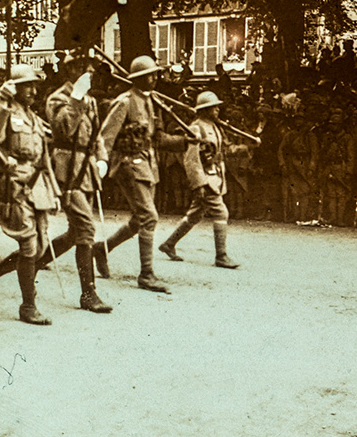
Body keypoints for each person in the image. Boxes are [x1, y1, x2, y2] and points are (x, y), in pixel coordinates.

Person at [0, 64, 59, 325]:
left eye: (35, 86)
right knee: (29, 245)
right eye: (27, 86)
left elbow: (43, 157)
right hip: (15, 185)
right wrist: (2, 104)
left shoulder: (34, 117)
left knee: (41, 247)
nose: (33, 91)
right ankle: (28, 306)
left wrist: (53, 191)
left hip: (38, 185)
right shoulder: (5, 112)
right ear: (15, 88)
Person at [93, 55, 176, 293]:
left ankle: (102, 248)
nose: (156, 78)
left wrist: (186, 140)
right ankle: (147, 274)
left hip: (148, 166)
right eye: (151, 75)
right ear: (139, 78)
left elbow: (158, 138)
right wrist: (101, 163)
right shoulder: (124, 101)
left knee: (139, 219)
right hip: (128, 165)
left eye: (156, 74)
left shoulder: (151, 101)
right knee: (149, 216)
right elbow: (106, 136)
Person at [43, 54, 113, 313]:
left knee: (75, 234)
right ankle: (88, 293)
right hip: (67, 171)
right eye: (84, 67)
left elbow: (97, 136)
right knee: (85, 228)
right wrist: (76, 99)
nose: (91, 71)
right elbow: (64, 130)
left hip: (87, 170)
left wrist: (102, 158)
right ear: (70, 69)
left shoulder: (90, 99)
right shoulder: (58, 99)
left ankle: (7, 270)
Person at [160, 91, 252, 268]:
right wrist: (198, 183)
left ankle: (169, 244)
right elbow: (191, 159)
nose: (218, 110)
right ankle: (221, 256)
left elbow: (224, 150)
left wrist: (245, 148)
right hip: (206, 178)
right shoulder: (196, 128)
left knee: (195, 214)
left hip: (216, 175)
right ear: (205, 110)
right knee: (221, 212)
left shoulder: (215, 127)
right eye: (214, 107)